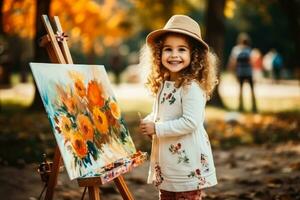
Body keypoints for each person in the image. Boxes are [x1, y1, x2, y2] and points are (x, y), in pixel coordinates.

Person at [139, 15, 218, 200]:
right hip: (168, 163)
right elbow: (164, 112)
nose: (174, 55)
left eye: (182, 49)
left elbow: (190, 122)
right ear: (159, 54)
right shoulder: (165, 83)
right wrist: (151, 119)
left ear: (194, 55)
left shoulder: (191, 86)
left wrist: (157, 128)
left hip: (187, 164)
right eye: (168, 49)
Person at [227, 32, 257, 112]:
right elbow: (253, 62)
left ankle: (240, 107)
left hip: (240, 72)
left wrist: (231, 71)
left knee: (240, 90)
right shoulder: (249, 50)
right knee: (252, 90)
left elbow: (233, 62)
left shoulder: (236, 49)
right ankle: (254, 107)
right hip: (248, 72)